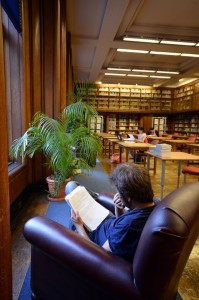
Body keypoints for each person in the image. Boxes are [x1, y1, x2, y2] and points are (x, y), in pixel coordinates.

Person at [65, 163, 156, 262]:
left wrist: (79, 226)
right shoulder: (151, 205)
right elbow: (123, 221)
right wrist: (118, 207)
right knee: (73, 185)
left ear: (128, 198)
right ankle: (93, 197)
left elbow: (98, 254)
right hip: (109, 221)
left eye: (120, 194)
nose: (118, 195)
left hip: (93, 233)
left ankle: (93, 198)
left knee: (70, 189)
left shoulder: (128, 227)